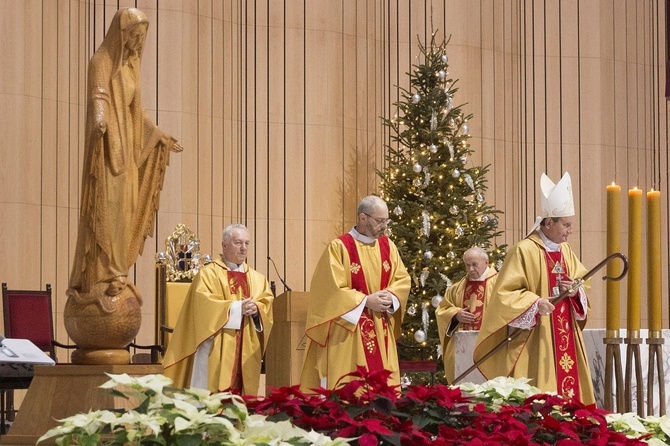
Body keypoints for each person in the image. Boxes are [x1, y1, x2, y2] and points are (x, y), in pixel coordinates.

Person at [69, 7, 183, 299]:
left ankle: (118, 272)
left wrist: (158, 135)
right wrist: (99, 119)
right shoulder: (101, 61)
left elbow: (138, 113)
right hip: (109, 151)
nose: (137, 43)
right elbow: (99, 95)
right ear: (121, 35)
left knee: (126, 211)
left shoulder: (132, 68)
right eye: (133, 36)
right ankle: (100, 275)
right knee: (108, 209)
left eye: (141, 38)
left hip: (129, 153)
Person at [474, 172, 595, 404]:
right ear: (549, 223)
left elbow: (582, 282)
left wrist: (575, 290)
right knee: (540, 396)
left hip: (565, 334)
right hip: (537, 339)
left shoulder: (566, 251)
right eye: (566, 225)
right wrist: (535, 302)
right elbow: (504, 295)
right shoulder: (523, 250)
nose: (570, 231)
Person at [299, 195, 411, 391]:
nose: (384, 226)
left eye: (386, 221)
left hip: (380, 328)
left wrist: (390, 297)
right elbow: (328, 290)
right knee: (353, 390)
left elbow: (402, 279)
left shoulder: (388, 247)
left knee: (383, 392)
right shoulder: (340, 247)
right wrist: (366, 301)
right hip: (349, 332)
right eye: (380, 221)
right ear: (363, 218)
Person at [163, 224, 274, 395]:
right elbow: (202, 307)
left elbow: (266, 303)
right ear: (224, 245)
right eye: (238, 243)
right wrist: (237, 308)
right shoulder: (208, 274)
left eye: (247, 243)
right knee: (212, 397)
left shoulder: (258, 279)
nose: (243, 248)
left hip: (246, 346)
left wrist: (257, 309)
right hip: (215, 345)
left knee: (243, 397)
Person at [435, 246, 498, 384]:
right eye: (467, 265)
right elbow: (442, 310)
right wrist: (455, 314)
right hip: (463, 347)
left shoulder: (500, 285)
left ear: (486, 262)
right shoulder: (457, 288)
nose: (470, 269)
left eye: (474, 264)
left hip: (490, 345)